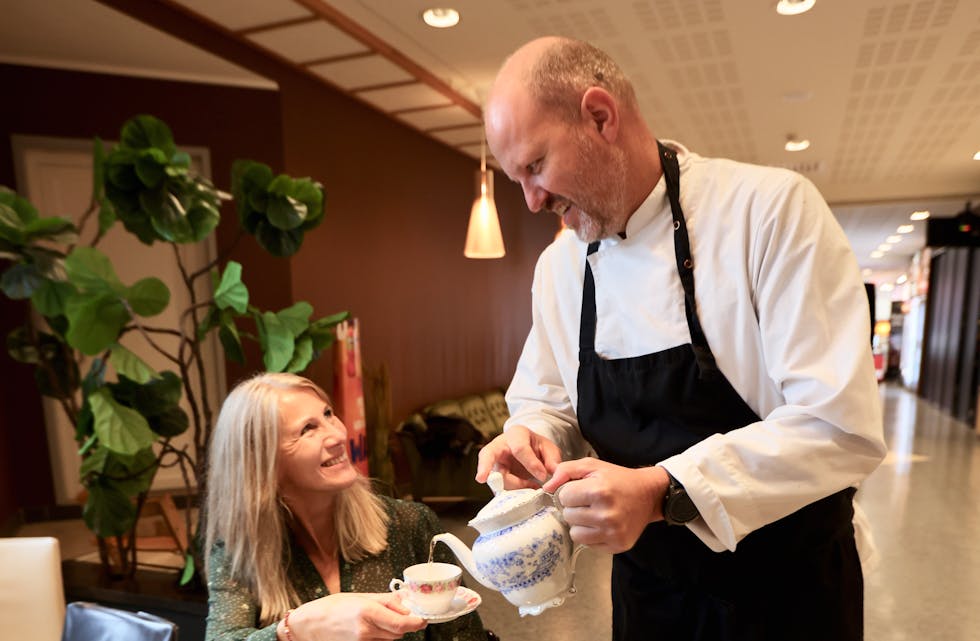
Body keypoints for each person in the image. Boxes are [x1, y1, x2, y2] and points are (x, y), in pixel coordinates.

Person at [475, 36, 886, 641]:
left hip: (789, 592)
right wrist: (529, 439)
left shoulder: (766, 213)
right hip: (651, 599)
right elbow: (547, 400)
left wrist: (663, 491)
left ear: (600, 116)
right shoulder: (561, 268)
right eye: (518, 180)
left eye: (535, 167)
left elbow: (840, 427)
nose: (532, 200)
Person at [205, 372, 487, 641]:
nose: (339, 435)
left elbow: (464, 634)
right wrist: (297, 628)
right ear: (263, 463)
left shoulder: (409, 523)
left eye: (328, 414)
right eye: (308, 429)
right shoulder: (238, 549)